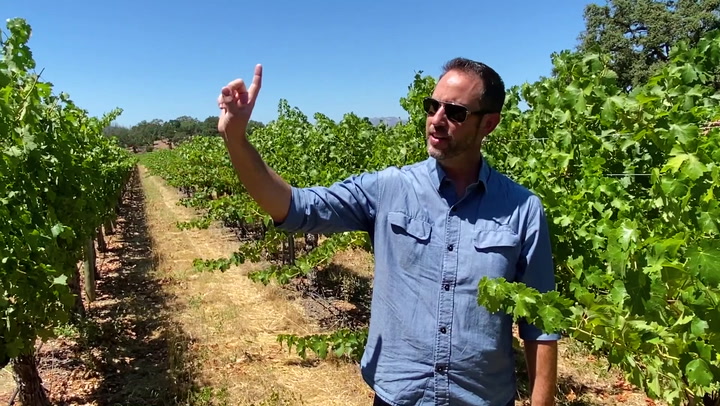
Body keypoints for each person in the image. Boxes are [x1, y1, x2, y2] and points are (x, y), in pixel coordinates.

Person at [216, 58, 560, 406]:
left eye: (455, 112)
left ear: (489, 124)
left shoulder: (522, 209)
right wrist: (236, 139)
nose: (437, 120)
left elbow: (540, 324)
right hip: (399, 397)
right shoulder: (389, 188)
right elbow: (293, 207)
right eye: (432, 106)